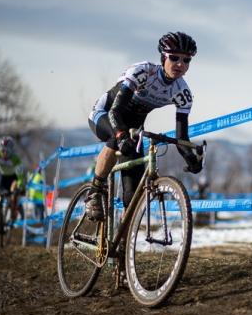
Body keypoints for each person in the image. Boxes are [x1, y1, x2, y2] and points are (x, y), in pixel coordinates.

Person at [84, 31, 204, 222]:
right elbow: (115, 112)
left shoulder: (182, 91)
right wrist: (121, 135)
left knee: (133, 198)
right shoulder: (143, 72)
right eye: (174, 58)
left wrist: (190, 157)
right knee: (115, 139)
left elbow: (181, 137)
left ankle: (124, 239)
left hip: (133, 130)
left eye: (186, 60)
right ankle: (94, 192)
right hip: (105, 113)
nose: (180, 64)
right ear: (163, 57)